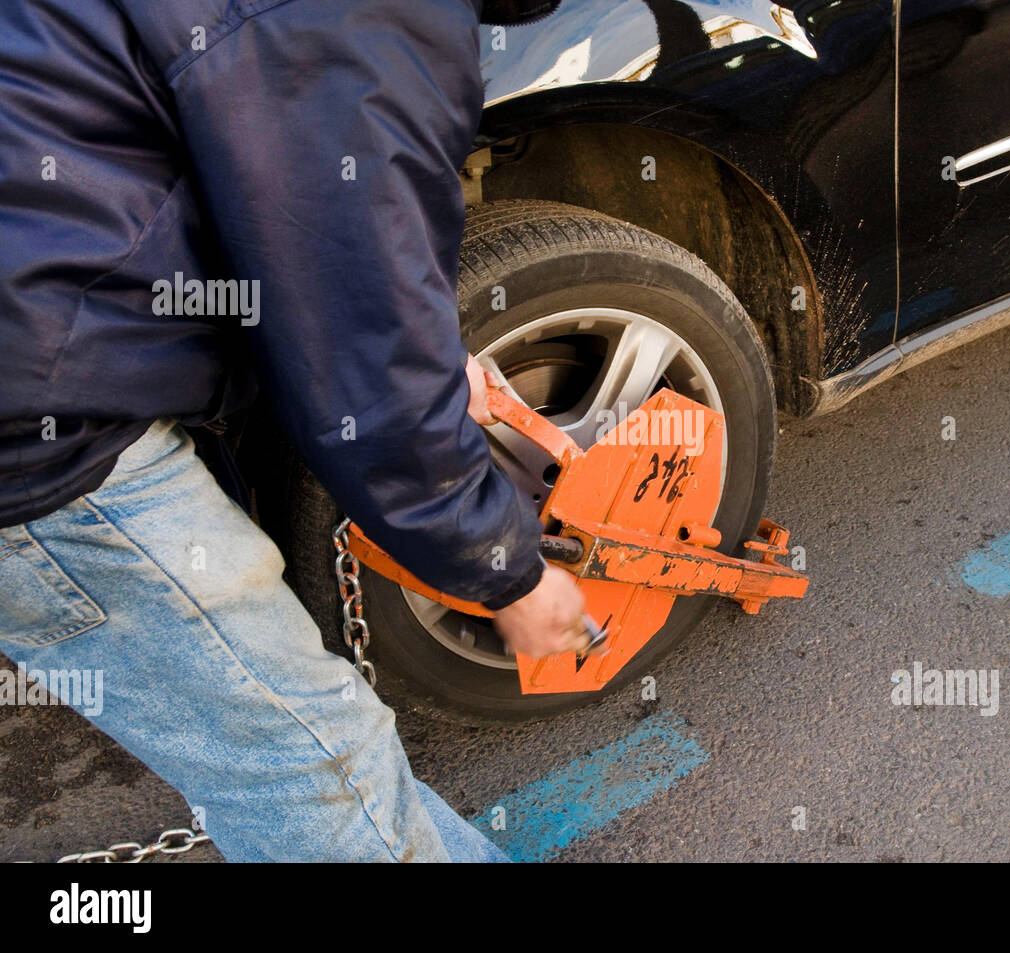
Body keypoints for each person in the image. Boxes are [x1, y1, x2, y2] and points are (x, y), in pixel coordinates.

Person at [0, 0, 582, 861]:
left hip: (39, 367)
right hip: (40, 432)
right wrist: (509, 570)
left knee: (299, 758)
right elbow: (363, 342)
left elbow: (286, 234)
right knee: (310, 768)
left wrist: (406, 345)